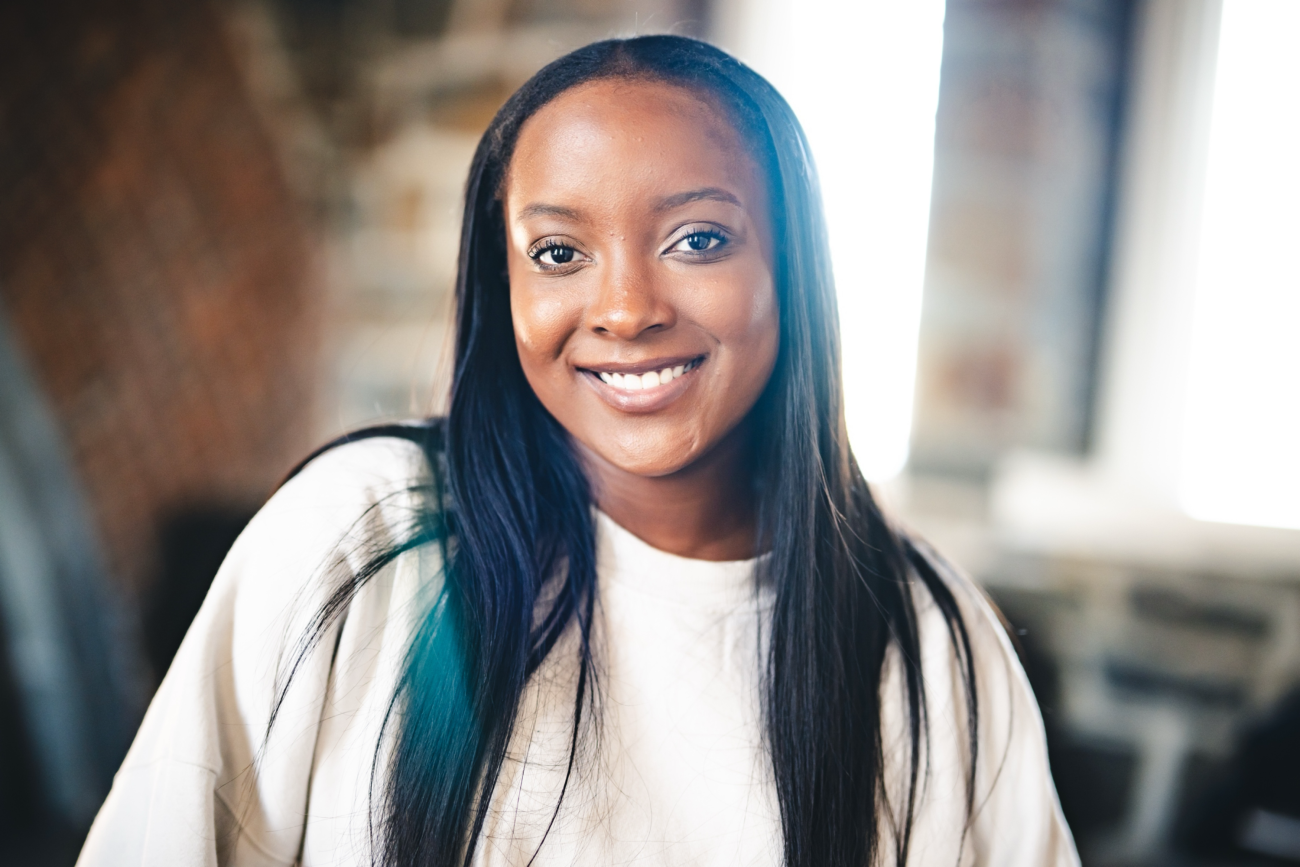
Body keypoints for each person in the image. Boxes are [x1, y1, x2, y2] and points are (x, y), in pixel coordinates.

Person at [77, 36, 1078, 867]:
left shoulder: (927, 641)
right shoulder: (364, 535)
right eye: (559, 253)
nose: (627, 310)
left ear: (793, 271)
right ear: (501, 286)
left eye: (698, 240)